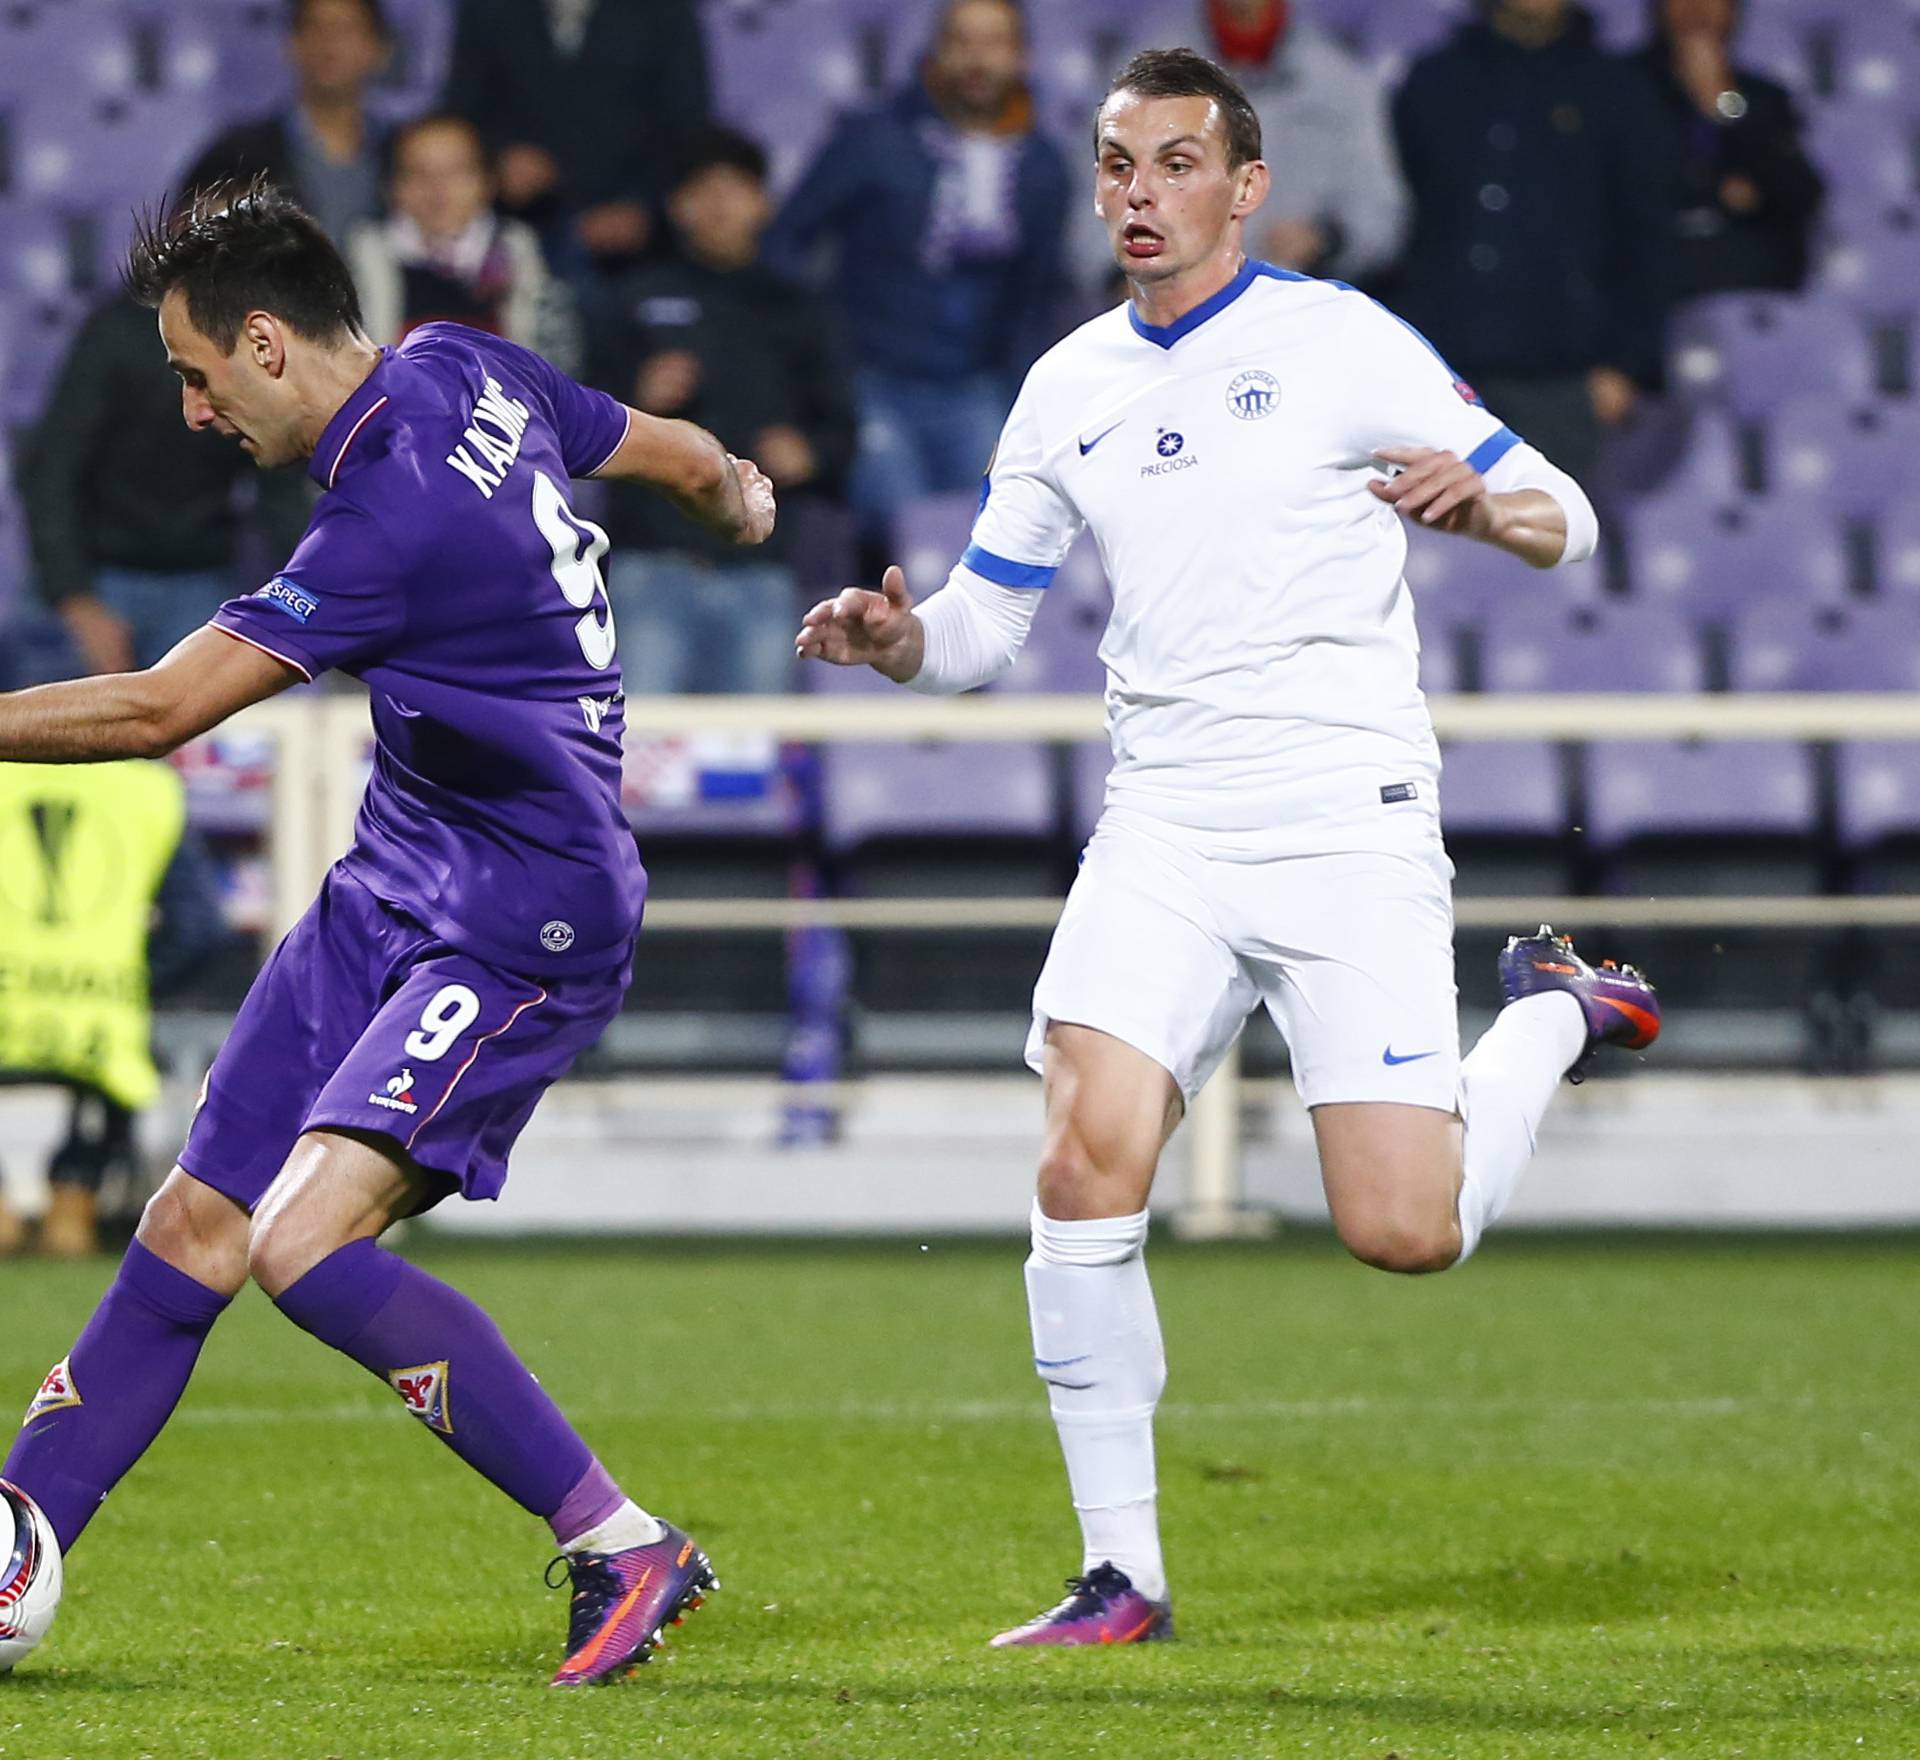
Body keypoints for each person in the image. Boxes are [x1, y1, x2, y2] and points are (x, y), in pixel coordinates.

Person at [797, 48, 1661, 1647]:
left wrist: (1491, 515)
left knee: (1405, 1232)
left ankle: (1558, 1010)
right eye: (1121, 165)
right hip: (1169, 824)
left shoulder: (1341, 341)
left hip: (1346, 813)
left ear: (1246, 187)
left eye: (1177, 164)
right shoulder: (1067, 386)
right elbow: (986, 624)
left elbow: (1567, 510)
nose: (1142, 194)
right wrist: (897, 639)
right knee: (1084, 1146)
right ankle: (1121, 1575)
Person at [0, 180, 774, 1686]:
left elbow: (161, 709)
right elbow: (641, 440)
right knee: (192, 1222)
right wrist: (730, 482)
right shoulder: (461, 361)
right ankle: (22, 1526)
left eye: (197, 375)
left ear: (271, 347)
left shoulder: (389, 514)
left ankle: (626, 1544)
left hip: (521, 913)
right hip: (397, 874)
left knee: (298, 1244)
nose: (190, 411)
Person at [765, 0, 1070, 551]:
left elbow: (1038, 294)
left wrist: (1020, 400)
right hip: (873, 383)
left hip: (978, 390)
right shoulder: (874, 139)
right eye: (961, 41)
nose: (977, 59)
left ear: (1022, 57)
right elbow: (786, 241)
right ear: (935, 51)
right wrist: (822, 355)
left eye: (994, 42)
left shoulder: (1045, 166)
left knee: (989, 547)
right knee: (911, 541)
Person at [598, 127, 855, 695]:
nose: (718, 205)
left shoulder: (797, 308)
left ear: (762, 203)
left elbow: (844, 431)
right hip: (652, 564)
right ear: (676, 207)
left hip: (757, 569)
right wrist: (633, 403)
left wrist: (809, 453)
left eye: (735, 190)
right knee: (640, 753)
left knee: (748, 758)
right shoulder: (633, 299)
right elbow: (573, 419)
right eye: (701, 191)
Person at [1392, 0, 1675, 484]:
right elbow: (1392, 223)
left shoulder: (1616, 91)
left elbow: (1647, 237)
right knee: (1423, 550)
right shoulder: (1432, 81)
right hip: (1436, 374)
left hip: (1561, 378)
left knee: (1540, 550)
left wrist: (1628, 364)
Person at [19, 292, 311, 677]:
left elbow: (280, 486)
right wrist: (77, 602)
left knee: (223, 728)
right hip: (98, 573)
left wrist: (315, 590)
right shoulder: (117, 332)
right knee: (59, 725)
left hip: (200, 577)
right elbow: (53, 469)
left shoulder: (255, 340)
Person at [1123, 0, 1407, 282]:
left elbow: (1378, 210)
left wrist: (1324, 238)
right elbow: (1102, 195)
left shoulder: (1340, 82)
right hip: (1172, 304)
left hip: (1302, 305)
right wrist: (1124, 275)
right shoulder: (1146, 80)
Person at [443, 0, 710, 274]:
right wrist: (500, 158)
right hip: (513, 223)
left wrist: (642, 204)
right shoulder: (487, 8)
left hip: (634, 239)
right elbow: (460, 115)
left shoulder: (665, 11)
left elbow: (688, 126)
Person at [348, 113, 578, 371]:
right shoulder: (361, 262)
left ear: (488, 182)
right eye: (418, 173)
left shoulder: (523, 258)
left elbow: (558, 373)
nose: (437, 189)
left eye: (456, 171)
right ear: (392, 187)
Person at [1633, 0, 1824, 298]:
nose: (1697, 8)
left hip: (1739, 278)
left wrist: (1723, 102)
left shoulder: (1762, 97)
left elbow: (1799, 193)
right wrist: (1720, 192)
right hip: (1646, 271)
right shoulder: (1620, 86)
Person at [183, 0, 394, 246]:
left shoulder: (404, 153)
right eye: (315, 27)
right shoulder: (238, 156)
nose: (330, 43)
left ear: (380, 49)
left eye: (346, 28)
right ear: (292, 43)